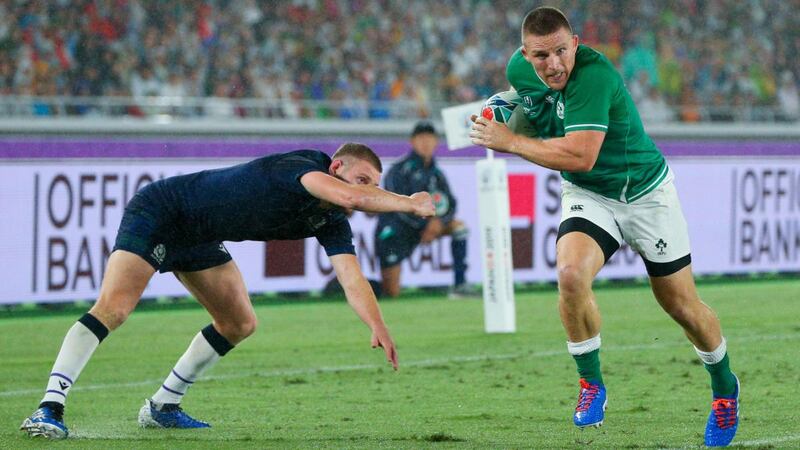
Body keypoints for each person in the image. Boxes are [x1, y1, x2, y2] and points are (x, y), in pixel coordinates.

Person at [20, 143, 435, 439]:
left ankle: (163, 406)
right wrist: (408, 202)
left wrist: (377, 324)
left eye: (372, 186)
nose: (364, 191)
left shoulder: (331, 221)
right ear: (337, 165)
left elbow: (352, 279)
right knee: (115, 308)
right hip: (163, 210)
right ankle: (49, 407)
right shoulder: (306, 164)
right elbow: (350, 195)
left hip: (200, 234)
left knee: (238, 322)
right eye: (363, 180)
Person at [469, 7, 739, 447]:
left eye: (560, 51)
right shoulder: (521, 69)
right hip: (590, 196)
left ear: (575, 43)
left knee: (681, 306)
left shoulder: (595, 76)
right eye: (541, 56)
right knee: (570, 274)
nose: (552, 64)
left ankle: (725, 388)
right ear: (525, 53)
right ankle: (591, 382)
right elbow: (523, 97)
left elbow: (581, 155)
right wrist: (502, 108)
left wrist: (509, 140)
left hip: (646, 195)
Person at [375, 121, 477, 299]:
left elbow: (451, 204)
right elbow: (395, 206)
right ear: (412, 142)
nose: (426, 143)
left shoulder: (437, 173)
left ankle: (460, 285)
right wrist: (425, 225)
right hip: (397, 233)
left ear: (436, 142)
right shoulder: (399, 170)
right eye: (421, 138)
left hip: (426, 228)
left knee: (459, 227)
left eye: (430, 138)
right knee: (391, 293)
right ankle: (360, 287)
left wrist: (439, 222)